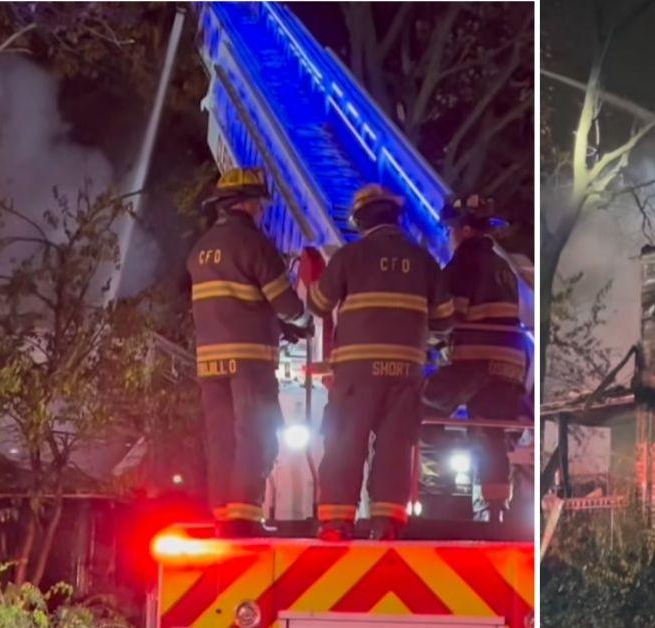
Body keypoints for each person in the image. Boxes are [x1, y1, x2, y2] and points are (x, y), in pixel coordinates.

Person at [303, 184, 453, 541]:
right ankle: (386, 524)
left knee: (344, 441)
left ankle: (337, 523)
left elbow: (319, 304)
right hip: (405, 373)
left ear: (359, 220)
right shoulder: (424, 260)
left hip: (356, 373)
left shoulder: (349, 257)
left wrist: (311, 281)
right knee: (395, 446)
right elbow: (446, 318)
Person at [187, 167, 309, 538]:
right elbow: (286, 304)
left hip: (210, 361)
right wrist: (304, 320)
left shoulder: (200, 249)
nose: (261, 211)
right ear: (246, 203)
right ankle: (244, 517)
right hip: (250, 359)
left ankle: (223, 514)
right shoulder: (254, 244)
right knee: (257, 434)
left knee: (223, 437)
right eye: (258, 204)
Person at [423, 195, 528, 522]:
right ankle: (496, 508)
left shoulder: (462, 263)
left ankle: (433, 482)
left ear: (464, 230)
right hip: (511, 365)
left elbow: (451, 314)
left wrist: (424, 334)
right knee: (490, 433)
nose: (448, 236)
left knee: (419, 406)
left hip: (474, 361)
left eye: (450, 230)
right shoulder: (503, 267)